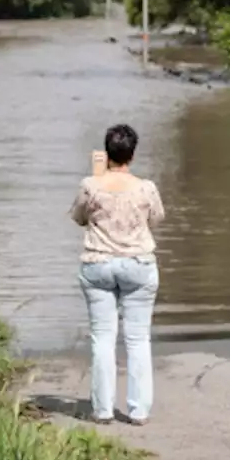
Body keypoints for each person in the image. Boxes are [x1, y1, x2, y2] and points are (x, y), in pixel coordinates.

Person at [68, 123, 165, 426]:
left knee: (103, 339)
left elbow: (78, 217)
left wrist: (97, 179)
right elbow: (157, 219)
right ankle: (138, 411)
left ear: (106, 153)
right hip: (138, 264)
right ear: (132, 155)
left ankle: (103, 409)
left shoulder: (90, 185)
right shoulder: (146, 187)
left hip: (98, 263)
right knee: (137, 339)